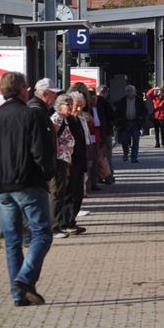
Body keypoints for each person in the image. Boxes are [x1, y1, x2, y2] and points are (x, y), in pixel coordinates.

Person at [0, 72, 55, 306]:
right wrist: (47, 175)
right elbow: (41, 151)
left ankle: (19, 295)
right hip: (28, 184)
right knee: (42, 233)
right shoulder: (31, 115)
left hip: (1, 187)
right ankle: (24, 280)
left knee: (13, 240)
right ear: (23, 90)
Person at [49, 94, 76, 239]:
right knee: (57, 192)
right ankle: (54, 227)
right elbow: (53, 140)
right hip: (58, 160)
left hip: (64, 159)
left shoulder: (64, 119)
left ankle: (58, 224)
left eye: (72, 104)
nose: (71, 107)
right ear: (60, 106)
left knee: (61, 192)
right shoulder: (57, 119)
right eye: (68, 104)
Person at [63, 92, 89, 235]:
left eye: (81, 107)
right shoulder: (66, 121)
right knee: (70, 194)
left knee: (78, 194)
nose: (79, 110)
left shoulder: (77, 120)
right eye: (77, 106)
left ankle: (71, 221)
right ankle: (66, 222)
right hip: (70, 163)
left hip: (79, 162)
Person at [114, 84, 147, 163]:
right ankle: (125, 153)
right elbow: (117, 112)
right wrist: (117, 122)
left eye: (131, 90)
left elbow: (145, 111)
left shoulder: (139, 100)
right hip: (125, 123)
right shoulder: (122, 101)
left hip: (136, 123)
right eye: (128, 91)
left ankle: (134, 158)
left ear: (134, 91)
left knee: (136, 140)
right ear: (126, 92)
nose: (130, 92)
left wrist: (142, 119)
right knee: (124, 140)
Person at [95, 85, 116, 184]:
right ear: (104, 93)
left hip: (96, 134)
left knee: (98, 157)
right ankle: (108, 176)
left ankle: (99, 177)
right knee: (107, 156)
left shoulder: (92, 104)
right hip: (105, 132)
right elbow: (111, 116)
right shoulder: (105, 103)